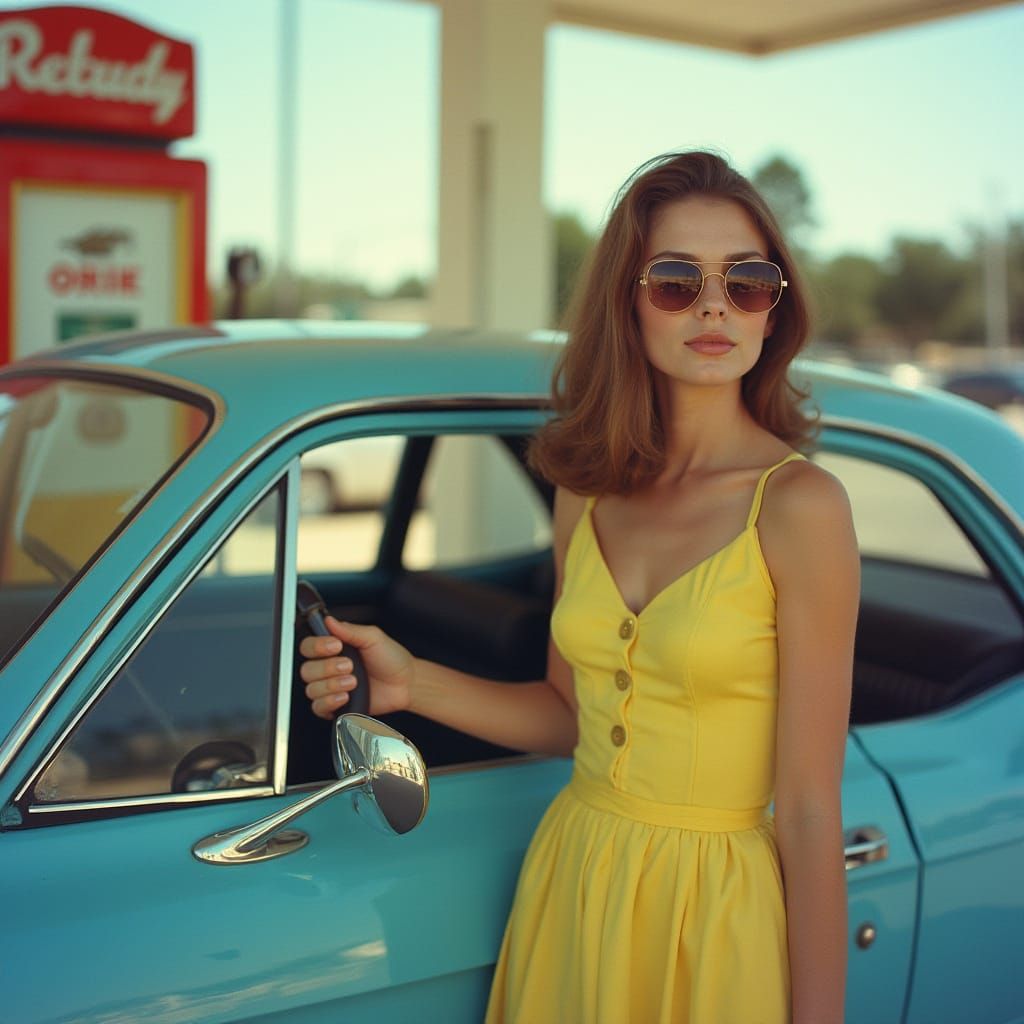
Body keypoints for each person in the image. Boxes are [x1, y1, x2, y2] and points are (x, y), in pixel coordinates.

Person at [299, 150, 859, 1024]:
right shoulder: (586, 488)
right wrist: (413, 683)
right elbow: (571, 717)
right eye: (676, 279)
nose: (715, 305)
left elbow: (814, 808)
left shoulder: (800, 507)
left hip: (715, 910)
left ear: (773, 306)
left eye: (747, 280)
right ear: (625, 303)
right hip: (577, 873)